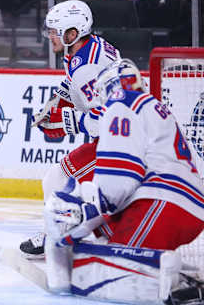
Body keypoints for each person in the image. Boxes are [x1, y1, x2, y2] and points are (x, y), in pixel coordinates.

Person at [41, 59, 204, 304]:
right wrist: (94, 219)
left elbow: (120, 179)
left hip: (163, 202)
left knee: (118, 272)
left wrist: (86, 214)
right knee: (111, 238)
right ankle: (180, 280)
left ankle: (174, 285)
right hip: (180, 204)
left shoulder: (121, 105)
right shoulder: (150, 105)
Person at [19, 0, 121, 258]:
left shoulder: (86, 66)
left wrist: (66, 122)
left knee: (57, 179)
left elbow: (105, 117)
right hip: (119, 134)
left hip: (116, 140)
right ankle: (66, 232)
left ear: (72, 33)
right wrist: (56, 102)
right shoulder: (87, 48)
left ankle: (53, 237)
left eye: (55, 32)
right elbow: (72, 84)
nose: (50, 36)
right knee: (75, 185)